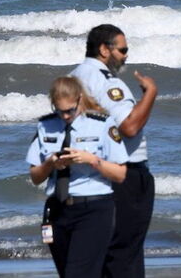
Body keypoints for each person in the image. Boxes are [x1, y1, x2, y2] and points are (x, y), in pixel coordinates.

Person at [70, 24, 157, 278]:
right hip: (123, 175)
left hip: (87, 175)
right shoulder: (106, 82)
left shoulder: (73, 77)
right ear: (104, 50)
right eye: (122, 49)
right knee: (124, 257)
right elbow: (129, 126)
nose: (126, 55)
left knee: (98, 255)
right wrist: (150, 94)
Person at [27, 76, 129, 278]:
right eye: (59, 110)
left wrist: (91, 160)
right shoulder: (45, 126)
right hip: (58, 209)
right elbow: (35, 177)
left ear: (79, 100)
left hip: (93, 209)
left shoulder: (102, 125)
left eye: (70, 110)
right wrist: (51, 163)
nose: (65, 116)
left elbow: (120, 174)